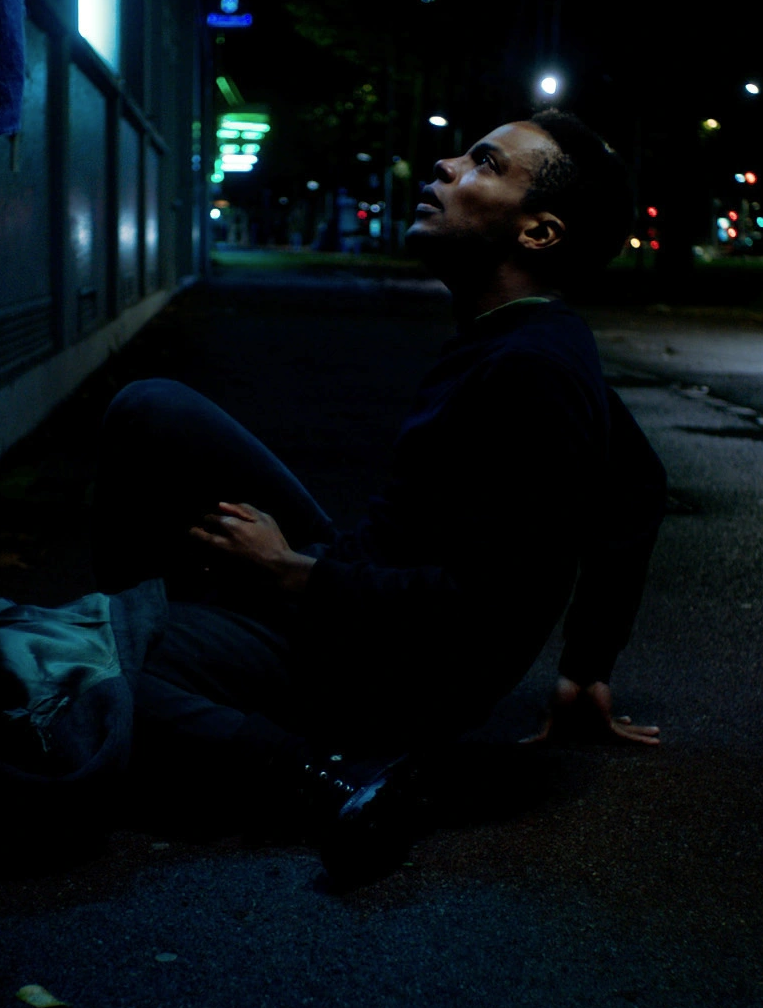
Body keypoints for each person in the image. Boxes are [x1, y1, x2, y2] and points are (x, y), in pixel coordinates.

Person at [96, 110, 667, 880]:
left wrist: (291, 573)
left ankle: (332, 777)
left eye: (485, 163)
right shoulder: (527, 335)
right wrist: (588, 667)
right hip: (362, 588)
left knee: (102, 671)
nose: (445, 166)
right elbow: (638, 483)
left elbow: (485, 604)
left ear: (538, 232)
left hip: (386, 673)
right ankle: (181, 645)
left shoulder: (533, 368)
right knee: (151, 413)